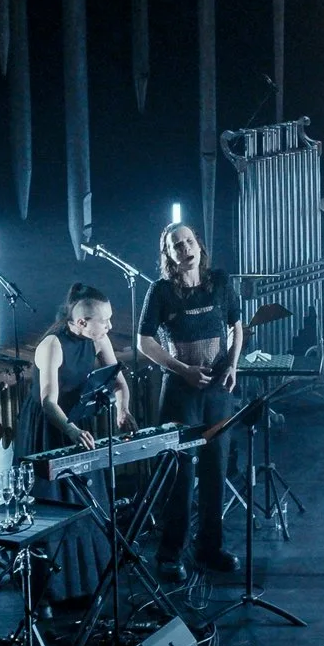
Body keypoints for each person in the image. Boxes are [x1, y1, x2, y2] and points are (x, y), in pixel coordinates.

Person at [135, 224, 242, 579]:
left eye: (189, 242)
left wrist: (234, 365)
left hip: (217, 391)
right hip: (181, 392)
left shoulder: (222, 281)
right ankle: (170, 555)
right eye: (176, 245)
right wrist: (181, 370)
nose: (185, 249)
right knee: (180, 473)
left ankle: (210, 548)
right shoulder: (161, 291)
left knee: (216, 470)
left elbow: (236, 325)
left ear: (199, 245)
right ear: (168, 255)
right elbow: (144, 342)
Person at [22, 283, 133, 458]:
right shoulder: (53, 345)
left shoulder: (99, 339)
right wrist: (72, 431)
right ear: (82, 322)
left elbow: (118, 382)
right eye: (104, 321)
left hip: (76, 415)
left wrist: (123, 409)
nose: (110, 326)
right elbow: (48, 402)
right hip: (49, 422)